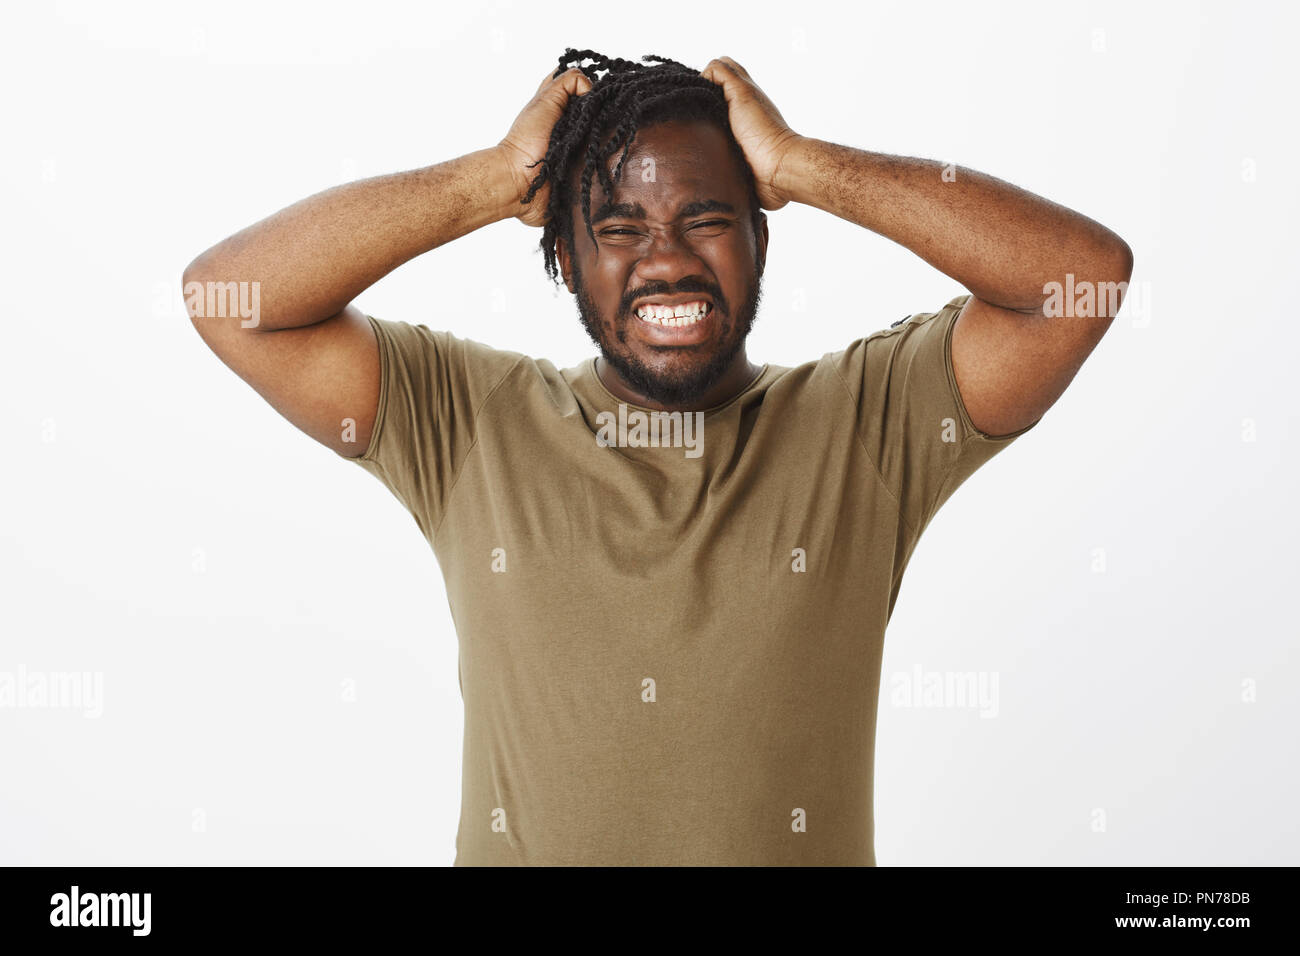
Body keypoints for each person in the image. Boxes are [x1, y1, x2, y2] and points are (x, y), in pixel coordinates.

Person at [182, 49, 1133, 865]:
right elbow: (231, 298)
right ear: (564, 261)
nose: (667, 260)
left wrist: (807, 167)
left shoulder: (868, 424)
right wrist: (489, 179)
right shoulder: (470, 419)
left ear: (762, 238)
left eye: (708, 219)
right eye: (618, 228)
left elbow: (1079, 283)